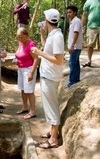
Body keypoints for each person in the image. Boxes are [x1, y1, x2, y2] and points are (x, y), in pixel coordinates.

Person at [31, 9, 64, 149]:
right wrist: (42, 33)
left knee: (52, 107)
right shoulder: (52, 34)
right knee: (49, 106)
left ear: (47, 20)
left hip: (50, 76)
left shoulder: (57, 37)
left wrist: (39, 53)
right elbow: (47, 48)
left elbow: (58, 59)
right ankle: (52, 132)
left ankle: (54, 140)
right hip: (47, 75)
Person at [15, 27, 39, 119]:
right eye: (18, 37)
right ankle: (25, 107)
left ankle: (33, 111)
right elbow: (19, 53)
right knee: (22, 89)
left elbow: (36, 59)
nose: (20, 39)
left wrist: (31, 73)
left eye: (21, 37)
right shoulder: (21, 43)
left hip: (28, 69)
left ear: (26, 35)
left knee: (29, 91)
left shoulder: (31, 45)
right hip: (20, 69)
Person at [66, 5, 83, 87]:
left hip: (75, 47)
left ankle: (72, 81)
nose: (68, 14)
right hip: (75, 46)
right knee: (75, 63)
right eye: (67, 12)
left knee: (72, 63)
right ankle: (76, 79)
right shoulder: (73, 21)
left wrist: (72, 45)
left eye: (70, 12)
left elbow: (76, 33)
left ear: (75, 12)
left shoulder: (76, 21)